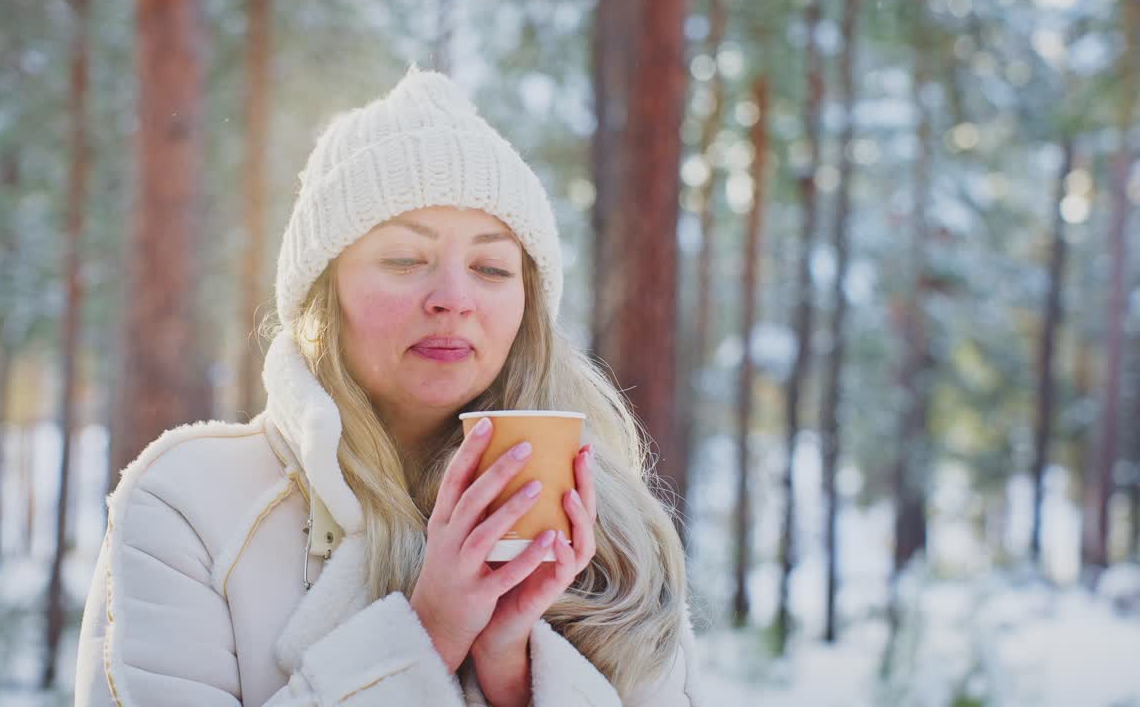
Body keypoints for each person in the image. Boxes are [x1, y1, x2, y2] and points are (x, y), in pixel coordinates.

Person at [73, 64, 704, 706]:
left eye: (491, 267)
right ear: (328, 290)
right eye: (404, 260)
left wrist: (512, 674)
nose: (454, 299)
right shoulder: (192, 503)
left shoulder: (614, 532)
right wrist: (425, 635)